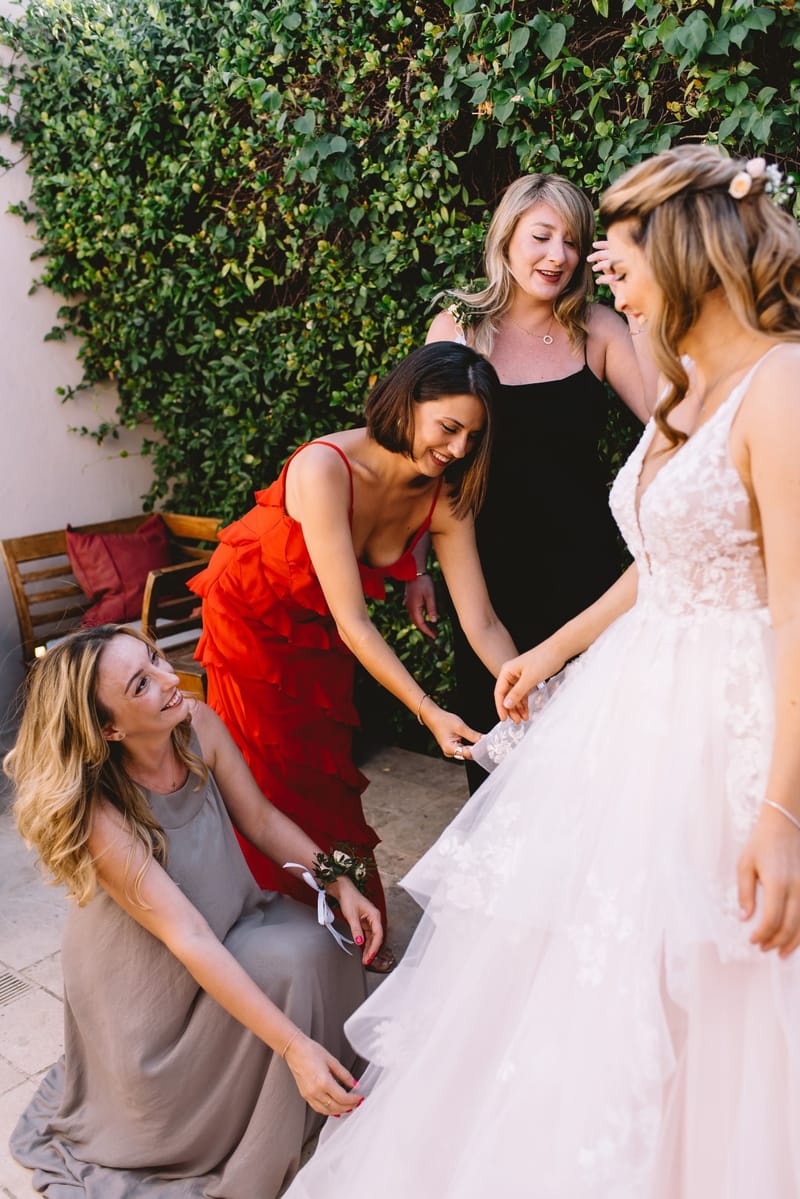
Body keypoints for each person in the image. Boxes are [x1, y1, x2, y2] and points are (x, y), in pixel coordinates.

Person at [281, 145, 800, 1197]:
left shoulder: (771, 386)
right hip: (626, 688)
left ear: (683, 250)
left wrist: (779, 811)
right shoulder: (683, 393)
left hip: (729, 720)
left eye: (612, 252)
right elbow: (660, 559)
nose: (596, 269)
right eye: (572, 246)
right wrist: (550, 649)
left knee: (722, 983)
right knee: (593, 971)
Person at [5, 625, 383, 1199]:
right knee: (287, 972)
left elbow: (258, 818)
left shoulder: (198, 723)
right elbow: (189, 938)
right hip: (146, 980)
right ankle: (282, 1088)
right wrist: (291, 1047)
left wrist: (339, 882)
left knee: (319, 943)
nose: (167, 678)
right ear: (109, 728)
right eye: (140, 683)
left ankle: (324, 1085)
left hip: (223, 919)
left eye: (155, 659)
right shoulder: (100, 815)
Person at [189, 341, 518, 972]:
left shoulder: (444, 497)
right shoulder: (325, 467)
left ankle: (346, 923)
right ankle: (268, 929)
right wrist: (428, 710)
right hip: (252, 618)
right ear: (407, 403)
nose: (455, 450)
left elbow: (481, 619)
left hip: (322, 629)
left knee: (327, 775)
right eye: (446, 428)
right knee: (264, 771)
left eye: (471, 438)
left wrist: (523, 684)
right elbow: (356, 621)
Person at [405, 172, 658, 792]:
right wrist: (415, 564)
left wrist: (644, 309)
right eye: (542, 236)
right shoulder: (459, 327)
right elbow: (425, 457)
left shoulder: (596, 327)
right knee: (506, 756)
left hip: (588, 569)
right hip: (487, 573)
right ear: (507, 237)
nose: (558, 257)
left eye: (572, 242)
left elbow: (664, 419)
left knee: (597, 753)